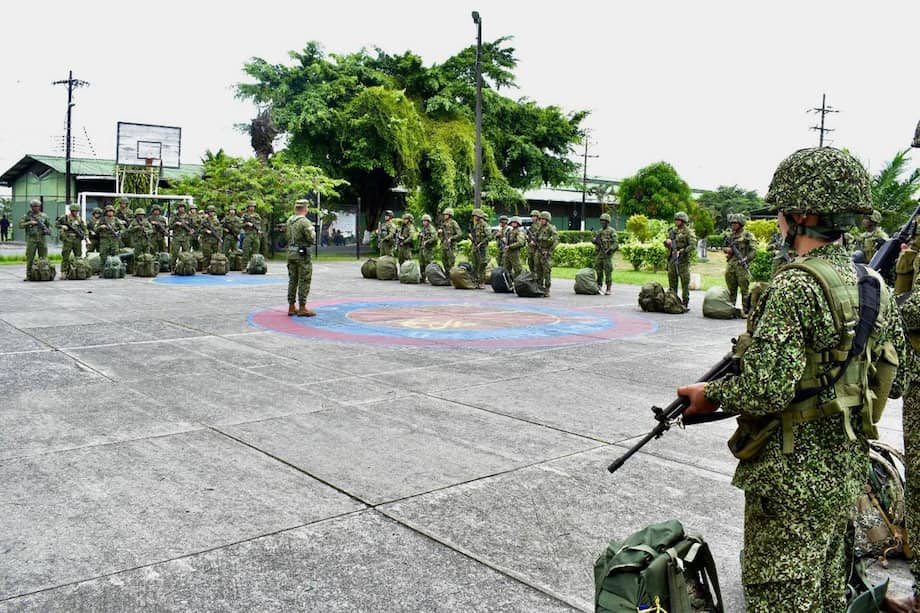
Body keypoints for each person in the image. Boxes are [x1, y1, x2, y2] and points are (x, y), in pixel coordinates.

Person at [678, 147, 908, 612]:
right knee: (824, 594)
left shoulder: (794, 285)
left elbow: (766, 389)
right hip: (844, 471)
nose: (779, 220)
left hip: (790, 481)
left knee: (782, 596)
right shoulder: (873, 284)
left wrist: (709, 396)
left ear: (801, 214)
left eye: (782, 211)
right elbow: (896, 380)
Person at [285, 199, 316, 317]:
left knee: (292, 280)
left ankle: (291, 306)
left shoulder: (289, 221)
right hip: (302, 256)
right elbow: (311, 239)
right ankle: (302, 307)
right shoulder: (305, 222)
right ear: (305, 208)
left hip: (291, 254)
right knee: (304, 279)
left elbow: (287, 236)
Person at [723, 213, 757, 315]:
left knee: (744, 290)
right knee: (731, 289)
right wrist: (728, 250)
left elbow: (754, 250)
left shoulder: (747, 235)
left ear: (741, 223)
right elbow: (724, 246)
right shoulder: (730, 236)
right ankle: (731, 308)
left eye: (735, 223)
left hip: (742, 265)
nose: (733, 225)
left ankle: (746, 311)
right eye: (732, 223)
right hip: (731, 264)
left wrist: (746, 259)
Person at [665, 211, 696, 309]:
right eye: (676, 220)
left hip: (683, 261)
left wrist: (682, 251)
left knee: (684, 283)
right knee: (672, 282)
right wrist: (667, 242)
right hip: (673, 259)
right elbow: (667, 242)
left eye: (678, 220)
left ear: (683, 221)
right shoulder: (672, 231)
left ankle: (685, 302)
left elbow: (692, 245)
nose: (676, 222)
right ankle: (672, 301)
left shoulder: (688, 232)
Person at [19, 199, 50, 280]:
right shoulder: (27, 216)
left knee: (43, 257)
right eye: (34, 206)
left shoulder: (44, 216)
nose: (36, 208)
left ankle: (44, 274)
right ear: (31, 207)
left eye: (37, 206)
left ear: (40, 207)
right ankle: (29, 275)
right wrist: (30, 222)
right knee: (30, 258)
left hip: (42, 239)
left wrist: (47, 231)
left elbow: (49, 226)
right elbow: (20, 225)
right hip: (32, 239)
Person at [532, 211, 559, 297]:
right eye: (541, 219)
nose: (542, 220)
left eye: (544, 219)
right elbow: (536, 237)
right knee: (537, 269)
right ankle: (539, 287)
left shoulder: (551, 228)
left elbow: (556, 240)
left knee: (546, 271)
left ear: (547, 220)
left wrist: (549, 251)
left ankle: (547, 289)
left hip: (546, 252)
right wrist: (533, 241)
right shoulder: (540, 228)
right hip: (538, 251)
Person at [57, 203, 86, 278]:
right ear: (71, 211)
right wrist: (62, 226)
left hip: (77, 240)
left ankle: (78, 271)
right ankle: (63, 272)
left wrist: (86, 236)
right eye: (74, 211)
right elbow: (56, 224)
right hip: (68, 239)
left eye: (77, 211)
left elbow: (84, 229)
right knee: (65, 256)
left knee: (78, 256)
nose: (76, 212)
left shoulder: (79, 219)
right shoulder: (65, 217)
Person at [593, 213, 618, 295]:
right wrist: (595, 241)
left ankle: (608, 288)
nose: (602, 223)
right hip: (600, 253)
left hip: (607, 254)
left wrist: (609, 249)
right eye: (601, 221)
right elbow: (595, 241)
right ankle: (599, 286)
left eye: (604, 221)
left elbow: (616, 243)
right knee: (598, 269)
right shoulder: (599, 231)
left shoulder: (612, 231)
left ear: (607, 222)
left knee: (608, 271)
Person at [468, 208, 491, 289]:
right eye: (474, 216)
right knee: (475, 264)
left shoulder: (485, 225)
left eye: (475, 215)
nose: (474, 217)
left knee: (482, 265)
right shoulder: (475, 224)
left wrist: (481, 243)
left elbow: (489, 236)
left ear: (479, 216)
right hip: (475, 246)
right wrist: (471, 238)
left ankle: (481, 282)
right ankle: (475, 281)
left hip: (482, 248)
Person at [169, 202, 194, 270]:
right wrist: (176, 224)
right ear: (178, 209)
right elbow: (169, 226)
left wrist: (191, 231)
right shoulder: (174, 217)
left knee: (186, 254)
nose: (182, 209)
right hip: (176, 237)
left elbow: (192, 226)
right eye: (180, 207)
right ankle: (173, 268)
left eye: (183, 207)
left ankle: (186, 267)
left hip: (185, 238)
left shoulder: (188, 217)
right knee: (174, 253)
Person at [241, 202, 262, 266]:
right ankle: (244, 266)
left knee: (256, 251)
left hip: (255, 234)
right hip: (248, 234)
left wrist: (259, 230)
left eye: (253, 206)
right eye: (250, 206)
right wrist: (246, 224)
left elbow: (259, 224)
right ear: (248, 207)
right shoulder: (245, 215)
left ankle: (254, 266)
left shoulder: (257, 215)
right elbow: (240, 225)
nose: (252, 208)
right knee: (246, 251)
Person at [417, 214, 437, 282]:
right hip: (422, 248)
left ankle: (430, 277)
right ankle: (423, 278)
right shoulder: (423, 228)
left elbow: (434, 238)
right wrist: (419, 235)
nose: (424, 222)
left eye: (425, 221)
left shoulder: (431, 228)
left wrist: (427, 241)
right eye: (423, 221)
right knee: (421, 263)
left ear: (428, 221)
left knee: (428, 263)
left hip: (428, 248)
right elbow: (420, 236)